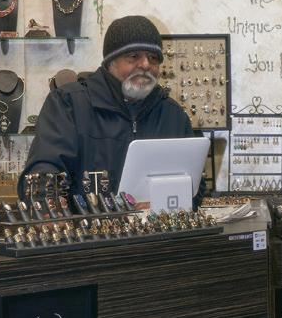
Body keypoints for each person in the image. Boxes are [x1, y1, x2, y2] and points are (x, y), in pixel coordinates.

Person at [21, 14, 193, 193]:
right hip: (83, 213)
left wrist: (160, 200)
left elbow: (194, 184)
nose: (145, 64)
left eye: (153, 58)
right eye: (133, 56)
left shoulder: (174, 116)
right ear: (110, 62)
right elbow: (42, 174)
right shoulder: (68, 105)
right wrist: (53, 203)